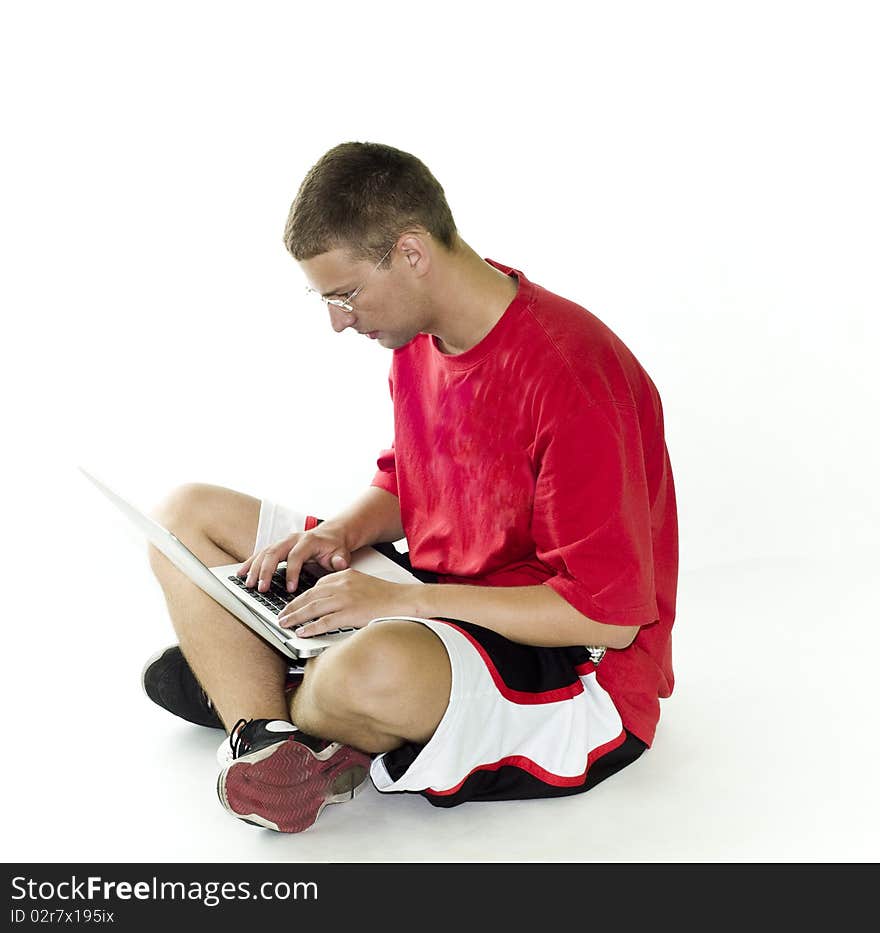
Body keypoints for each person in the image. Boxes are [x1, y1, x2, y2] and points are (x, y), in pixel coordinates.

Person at [144, 141, 679, 833]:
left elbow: (609, 616)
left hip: (570, 666)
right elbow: (412, 483)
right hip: (440, 601)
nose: (338, 320)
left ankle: (254, 687)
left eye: (345, 294)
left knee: (364, 674)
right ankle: (274, 728)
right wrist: (337, 535)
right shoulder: (417, 340)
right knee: (185, 514)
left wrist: (396, 601)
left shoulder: (569, 373)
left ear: (412, 253)